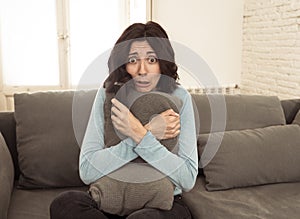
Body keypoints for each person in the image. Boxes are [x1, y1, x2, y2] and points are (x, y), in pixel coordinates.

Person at [50, 21, 198, 219]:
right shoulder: (107, 94)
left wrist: (141, 135)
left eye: (152, 60)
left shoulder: (180, 97)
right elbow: (87, 170)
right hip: (108, 199)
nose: (142, 70)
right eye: (133, 60)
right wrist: (147, 133)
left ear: (163, 62)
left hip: (160, 205)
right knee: (64, 204)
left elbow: (187, 178)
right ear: (123, 64)